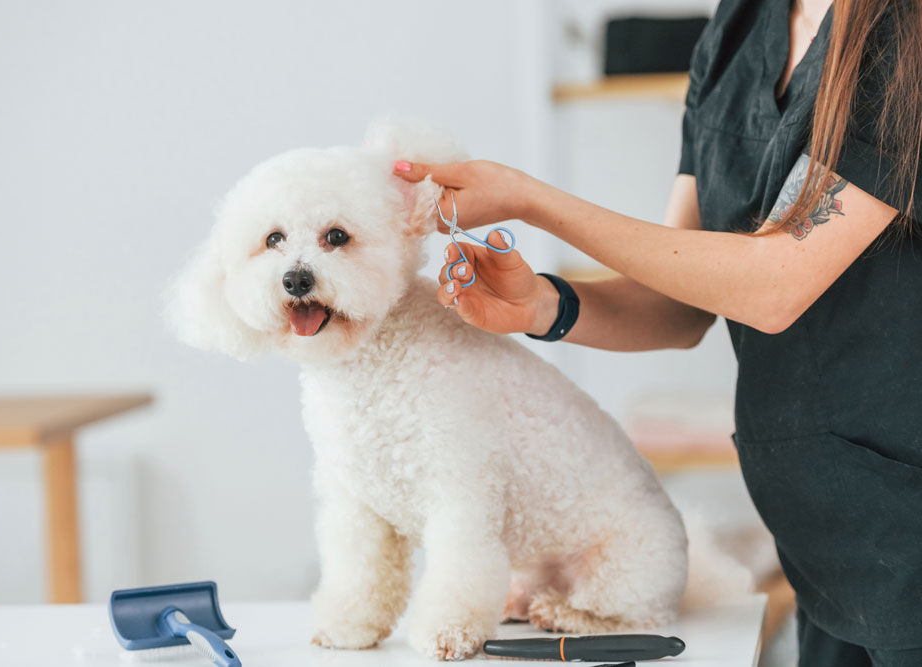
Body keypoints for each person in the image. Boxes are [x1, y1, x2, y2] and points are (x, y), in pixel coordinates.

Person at [393, 0, 922, 665]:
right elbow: (682, 304)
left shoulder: (904, 31)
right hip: (827, 549)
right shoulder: (740, 27)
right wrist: (542, 305)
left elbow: (777, 282)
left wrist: (534, 200)